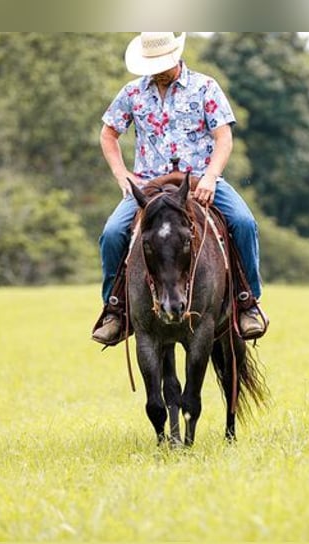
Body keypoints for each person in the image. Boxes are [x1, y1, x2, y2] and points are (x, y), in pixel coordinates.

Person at [92, 32, 268, 345]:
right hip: (149, 185)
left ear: (176, 56)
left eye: (163, 63)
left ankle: (247, 301)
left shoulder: (205, 87)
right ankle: (115, 309)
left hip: (200, 179)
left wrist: (213, 176)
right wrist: (122, 176)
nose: (158, 69)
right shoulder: (132, 93)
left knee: (243, 222)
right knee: (112, 233)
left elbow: (223, 137)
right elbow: (108, 135)